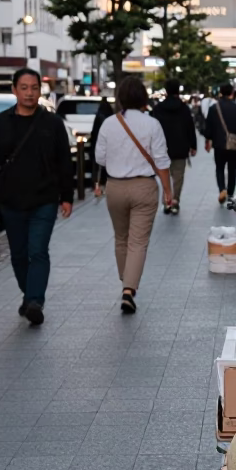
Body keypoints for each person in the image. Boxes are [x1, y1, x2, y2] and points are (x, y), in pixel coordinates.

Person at [0, 67, 74, 327]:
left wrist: (67, 196)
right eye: (24, 88)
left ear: (40, 91)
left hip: (44, 199)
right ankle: (28, 294)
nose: (30, 93)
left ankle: (35, 301)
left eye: (34, 88)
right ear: (14, 90)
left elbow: (64, 162)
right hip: (10, 201)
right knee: (19, 255)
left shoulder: (52, 123)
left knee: (38, 251)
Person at [95, 76, 172, 314]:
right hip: (144, 187)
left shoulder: (108, 123)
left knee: (121, 238)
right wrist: (168, 191)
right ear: (143, 98)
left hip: (115, 187)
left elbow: (100, 158)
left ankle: (125, 280)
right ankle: (129, 289)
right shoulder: (152, 124)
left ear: (120, 98)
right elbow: (161, 160)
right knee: (138, 241)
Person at [151, 78, 197, 216]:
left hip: (161, 148)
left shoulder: (158, 109)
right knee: (178, 176)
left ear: (166, 90)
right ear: (178, 90)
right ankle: (175, 200)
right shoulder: (183, 108)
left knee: (164, 176)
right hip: (180, 147)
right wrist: (193, 145)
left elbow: (152, 128)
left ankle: (166, 201)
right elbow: (190, 127)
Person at [204, 82, 236, 204]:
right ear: (232, 92)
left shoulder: (214, 108)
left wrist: (208, 140)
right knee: (232, 169)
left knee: (219, 168)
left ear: (220, 92)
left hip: (219, 144)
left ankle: (222, 189)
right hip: (234, 145)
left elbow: (208, 127)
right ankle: (230, 194)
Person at [90, 96, 113, 191]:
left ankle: (96, 185)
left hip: (97, 143)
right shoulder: (111, 116)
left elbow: (94, 132)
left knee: (96, 166)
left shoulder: (98, 116)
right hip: (109, 144)